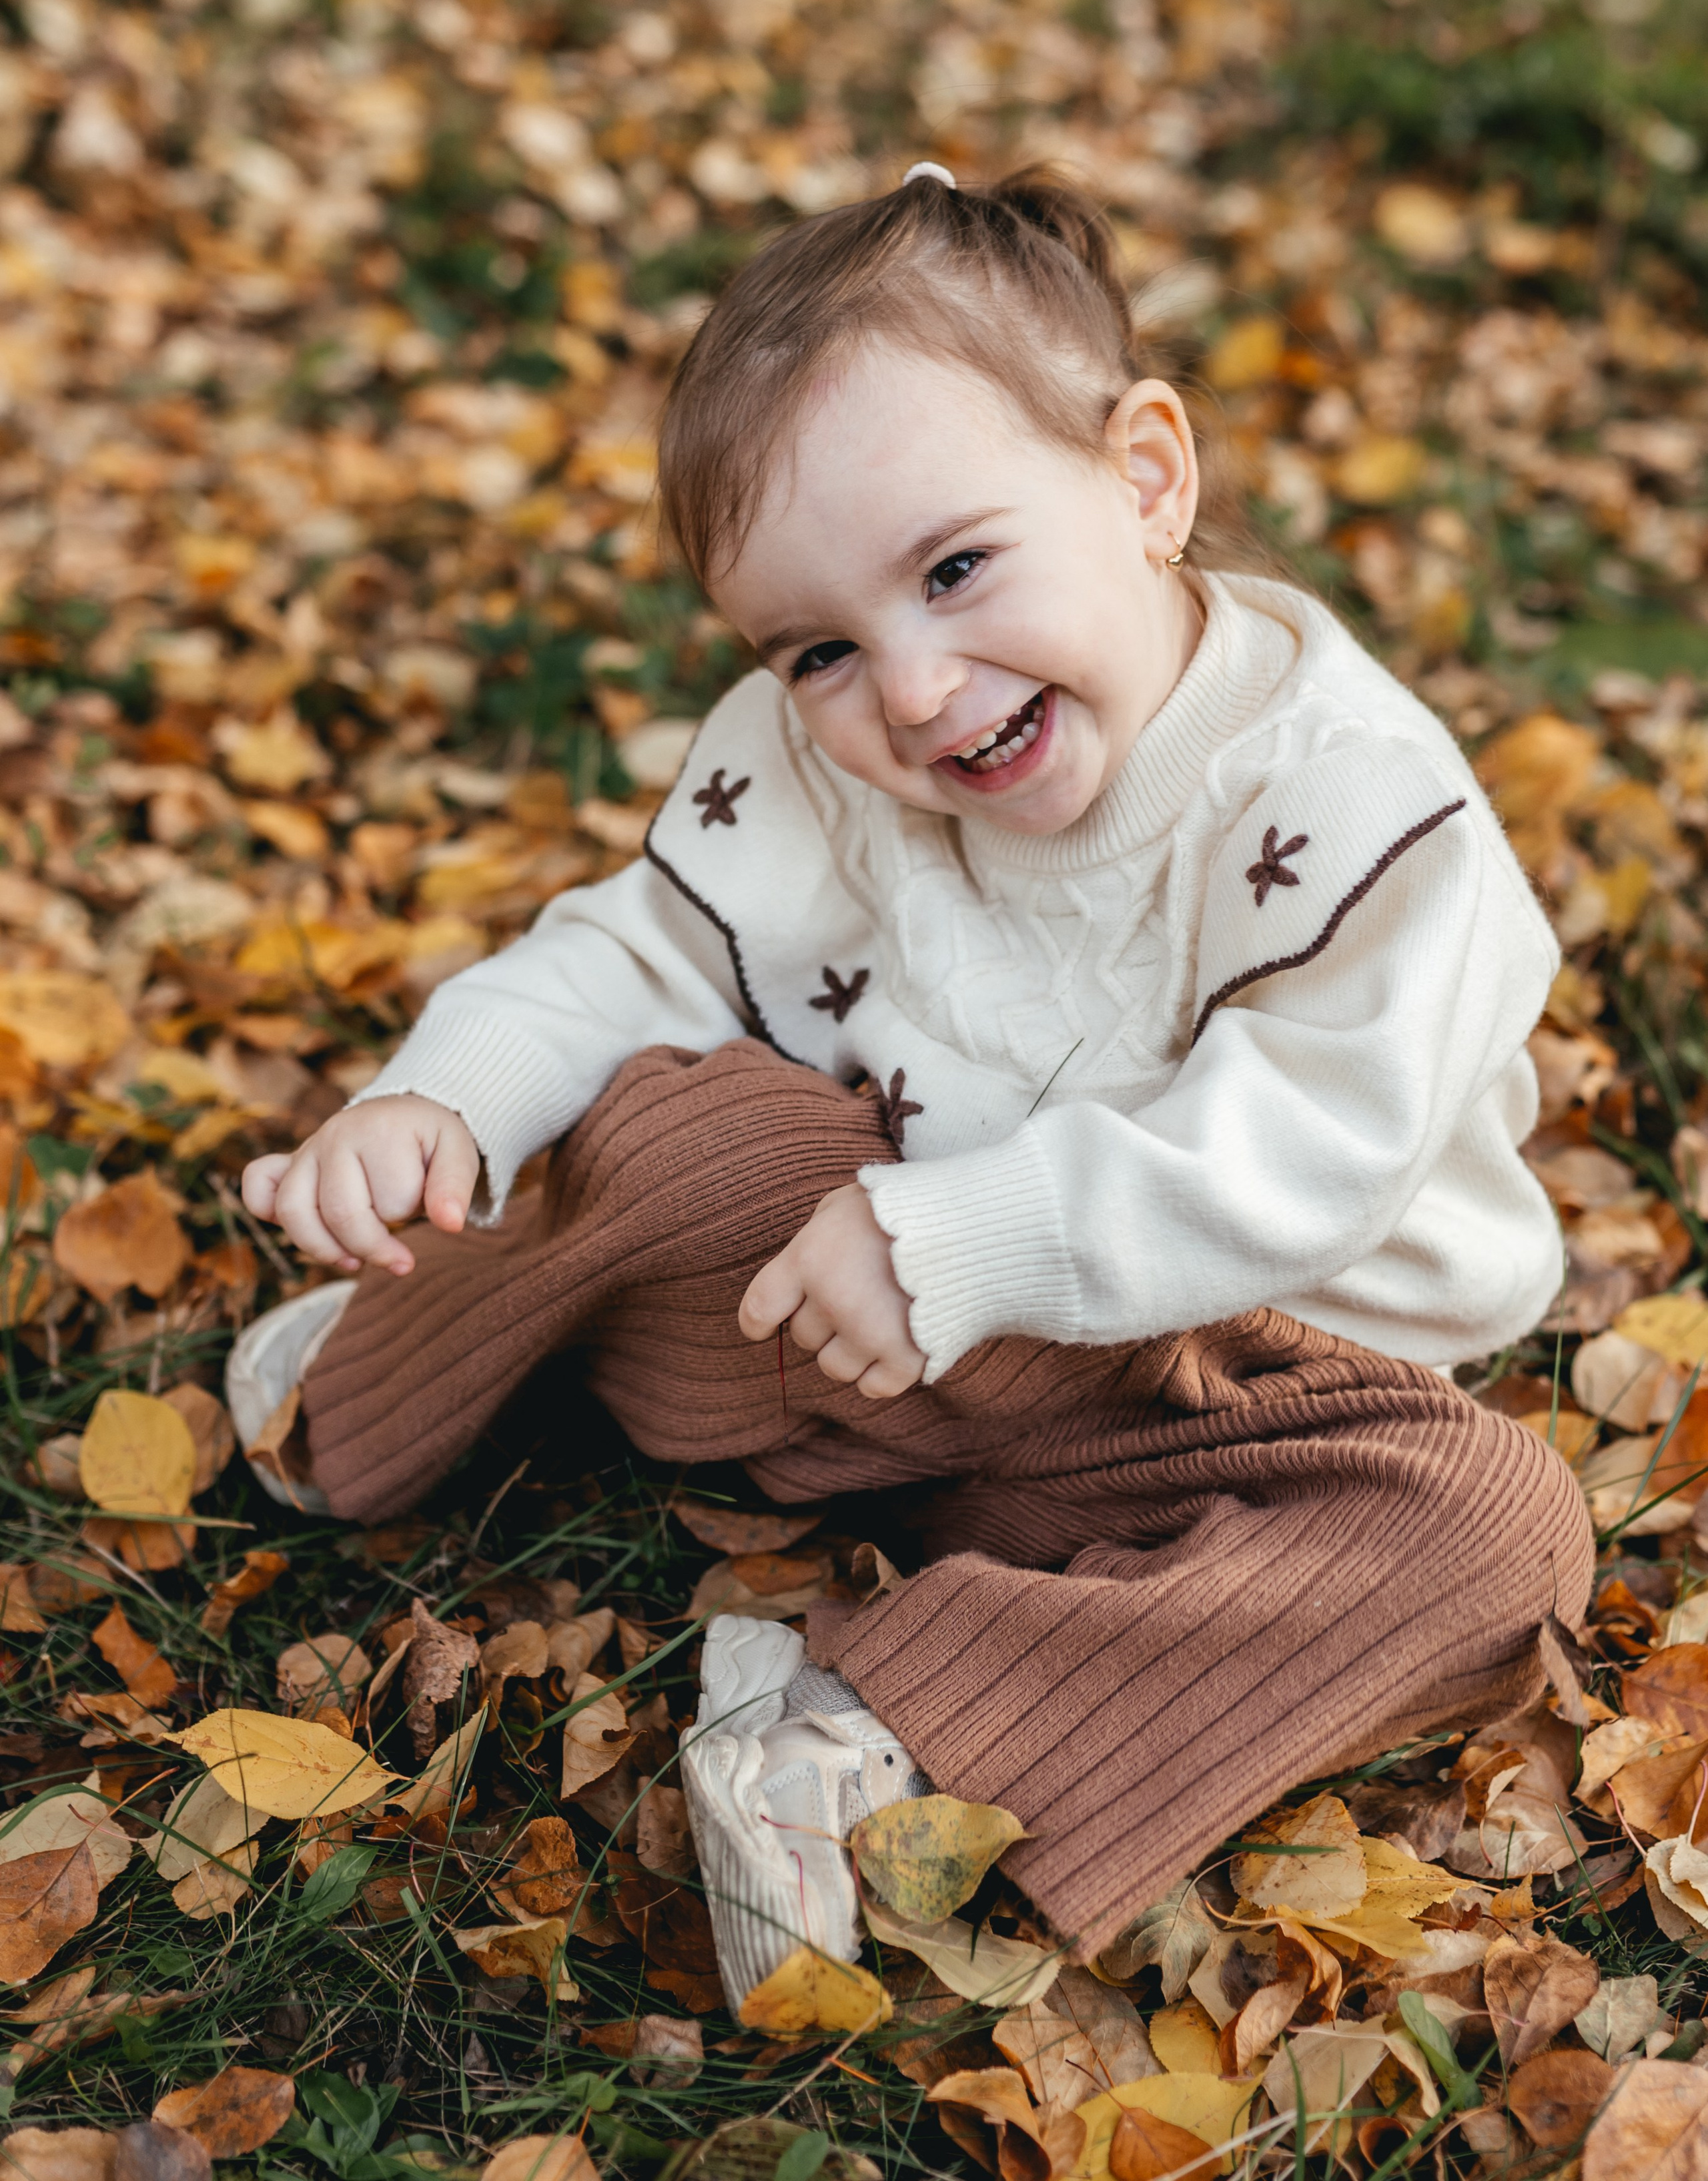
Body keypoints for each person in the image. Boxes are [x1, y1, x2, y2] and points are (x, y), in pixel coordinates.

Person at [232, 163, 1593, 2009]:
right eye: (820, 650)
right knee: (679, 1127)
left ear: (1147, 480)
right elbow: (640, 950)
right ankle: (387, 1354)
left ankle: (866, 1743)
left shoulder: (1352, 806)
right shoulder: (823, 763)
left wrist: (967, 1237)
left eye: (957, 571)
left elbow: (1310, 1148)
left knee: (1495, 1537)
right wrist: (445, 1100)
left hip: (1221, 1412)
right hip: (853, 1331)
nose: (919, 689)